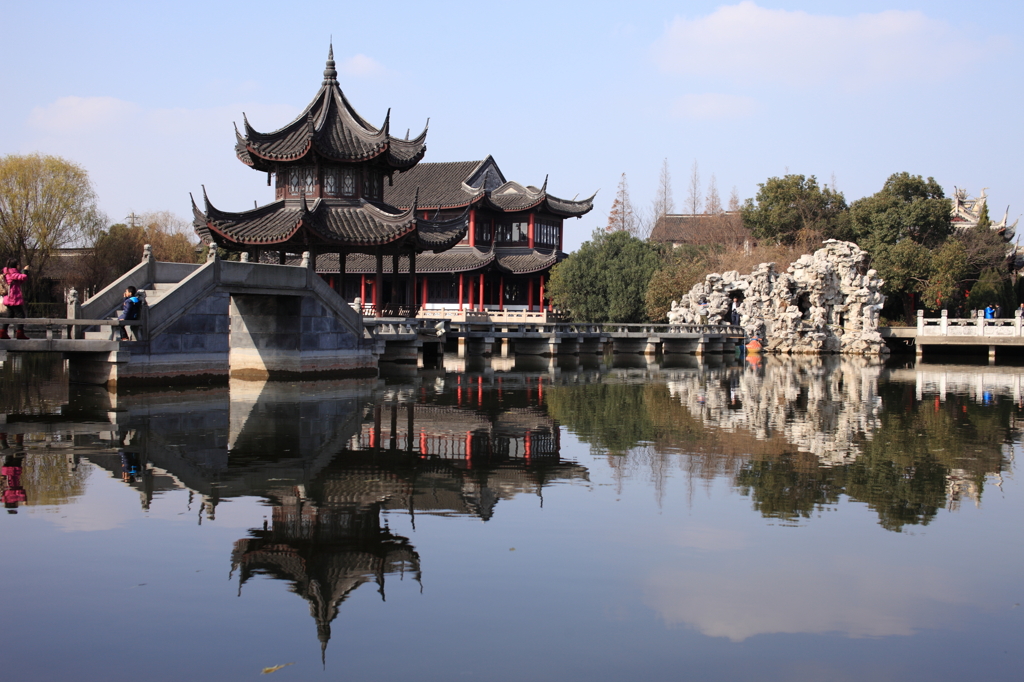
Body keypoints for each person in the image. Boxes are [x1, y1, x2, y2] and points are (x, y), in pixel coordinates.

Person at [1, 258, 29, 340]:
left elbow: (19, 281)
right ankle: (19, 333)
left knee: (10, 315)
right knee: (21, 315)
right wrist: (25, 271)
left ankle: (3, 332)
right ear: (15, 265)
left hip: (9, 297)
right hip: (13, 298)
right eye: (18, 264)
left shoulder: (7, 272)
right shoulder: (11, 272)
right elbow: (23, 277)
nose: (19, 266)